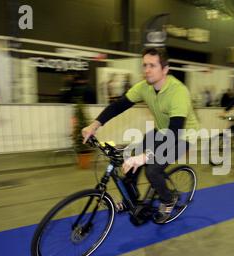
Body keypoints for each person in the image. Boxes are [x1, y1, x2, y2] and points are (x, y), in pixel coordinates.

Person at [81, 47, 199, 223]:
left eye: (152, 65)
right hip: (161, 131)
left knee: (152, 169)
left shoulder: (178, 91)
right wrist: (94, 125)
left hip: (182, 136)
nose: (147, 70)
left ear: (165, 69)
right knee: (129, 157)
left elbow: (175, 131)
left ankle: (168, 200)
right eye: (144, 65)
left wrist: (146, 156)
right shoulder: (144, 87)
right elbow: (118, 106)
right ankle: (130, 199)